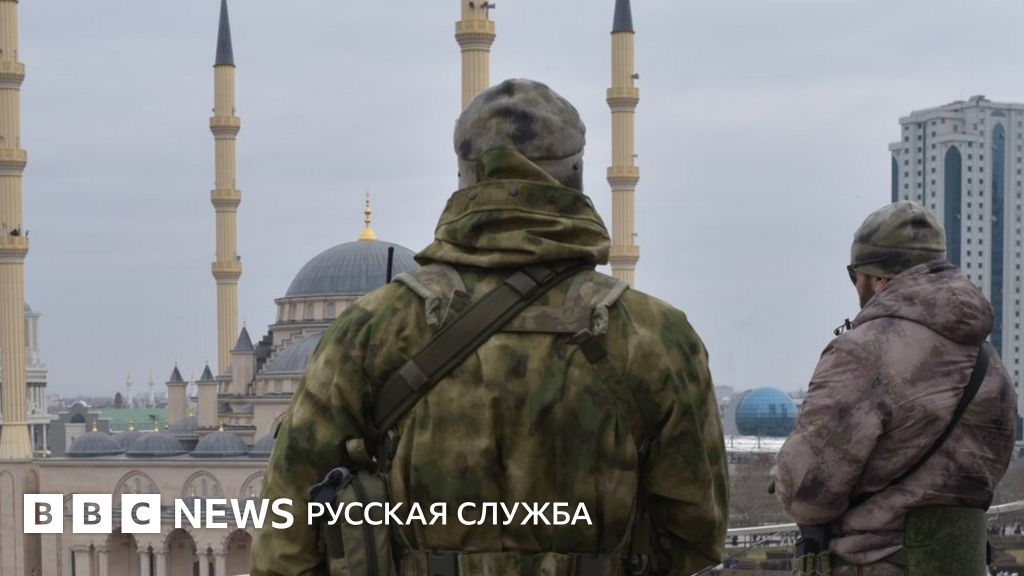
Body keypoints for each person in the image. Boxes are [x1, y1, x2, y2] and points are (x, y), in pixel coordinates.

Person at [251, 78, 727, 576]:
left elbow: (286, 539)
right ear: (575, 175)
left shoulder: (374, 330)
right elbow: (695, 533)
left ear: (466, 177)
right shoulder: (654, 337)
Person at [773, 202, 1017, 576]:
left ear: (878, 278)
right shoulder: (990, 363)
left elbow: (806, 493)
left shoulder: (862, 353)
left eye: (854, 273)